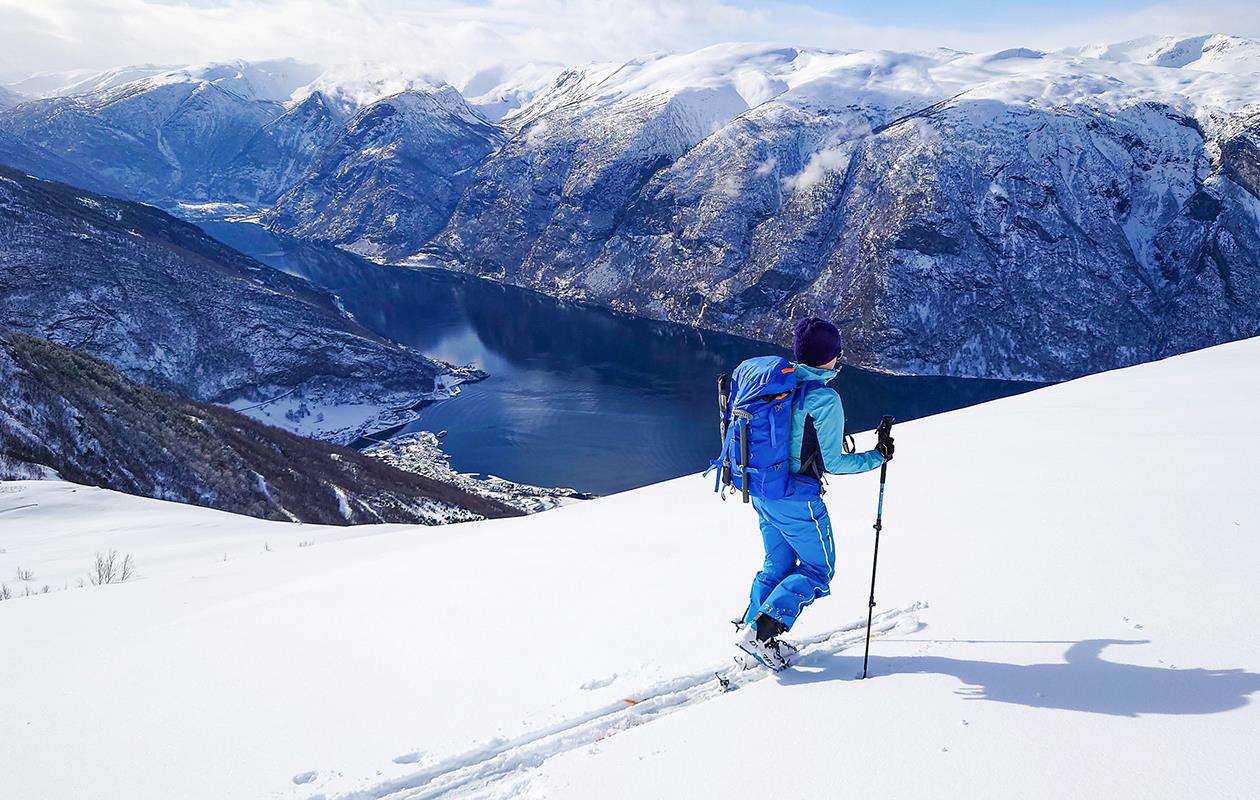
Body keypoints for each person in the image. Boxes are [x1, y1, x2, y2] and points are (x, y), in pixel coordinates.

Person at [736, 316, 894, 670]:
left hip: (762, 491)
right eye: (837, 353)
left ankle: (751, 634)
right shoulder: (823, 398)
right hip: (798, 499)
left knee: (776, 565)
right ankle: (761, 633)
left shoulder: (777, 386)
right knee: (817, 570)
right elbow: (836, 463)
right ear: (829, 357)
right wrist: (878, 455)